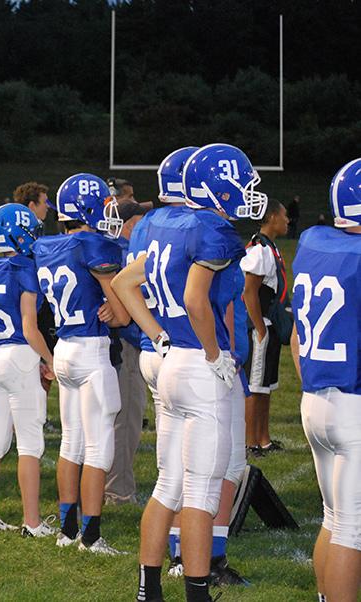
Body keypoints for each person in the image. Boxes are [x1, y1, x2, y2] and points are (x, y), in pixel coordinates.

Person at [112, 143, 266, 602]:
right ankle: (197, 594)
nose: (248, 190)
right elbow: (198, 300)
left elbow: (124, 283)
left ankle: (148, 590)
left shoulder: (162, 222)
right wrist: (215, 352)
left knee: (168, 484)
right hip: (198, 366)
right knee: (200, 492)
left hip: (171, 361)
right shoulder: (211, 230)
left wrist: (157, 334)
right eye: (242, 181)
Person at [34, 173, 129, 554]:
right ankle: (91, 537)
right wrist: (117, 310)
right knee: (99, 445)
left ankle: (67, 528)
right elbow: (121, 315)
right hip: (91, 351)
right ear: (89, 209)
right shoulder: (94, 244)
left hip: (65, 348)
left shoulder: (48, 246)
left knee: (71, 442)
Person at [291, 158, 361, 602]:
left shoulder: (314, 243)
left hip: (315, 398)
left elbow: (298, 334)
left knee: (333, 519)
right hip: (353, 404)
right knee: (352, 528)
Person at [0, 203, 57, 537]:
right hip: (20, 355)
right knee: (30, 445)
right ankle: (32, 522)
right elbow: (30, 326)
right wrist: (50, 360)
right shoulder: (23, 268)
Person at [104, 201, 149, 506]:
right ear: (130, 225)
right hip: (127, 344)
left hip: (95, 347)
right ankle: (118, 490)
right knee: (126, 419)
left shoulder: (104, 247)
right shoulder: (123, 252)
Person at [242, 200, 290, 456]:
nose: (287, 220)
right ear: (271, 217)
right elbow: (249, 293)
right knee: (254, 387)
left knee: (265, 386)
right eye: (284, 215)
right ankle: (250, 443)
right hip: (258, 325)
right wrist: (259, 327)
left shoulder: (269, 248)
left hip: (267, 324)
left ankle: (263, 439)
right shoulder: (259, 251)